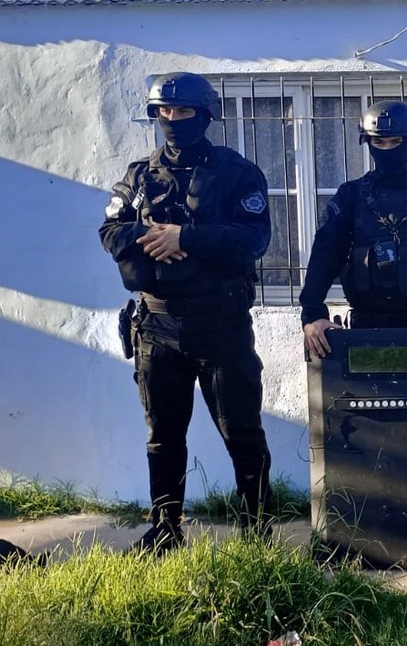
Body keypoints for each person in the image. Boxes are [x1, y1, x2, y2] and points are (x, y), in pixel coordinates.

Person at [99, 72, 273, 554]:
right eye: (164, 112)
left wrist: (187, 239)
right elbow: (109, 233)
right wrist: (151, 239)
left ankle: (256, 531)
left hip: (220, 325)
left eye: (183, 112)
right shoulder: (139, 176)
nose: (173, 120)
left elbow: (254, 239)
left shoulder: (238, 174)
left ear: (205, 115)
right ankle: (165, 529)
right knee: (163, 435)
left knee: (242, 432)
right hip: (156, 326)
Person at [298, 100, 407, 508]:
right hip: (365, 328)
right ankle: (378, 507)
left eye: (396, 140)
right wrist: (312, 314)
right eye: (379, 141)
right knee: (369, 416)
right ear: (368, 143)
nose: (388, 147)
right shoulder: (351, 197)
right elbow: (324, 255)